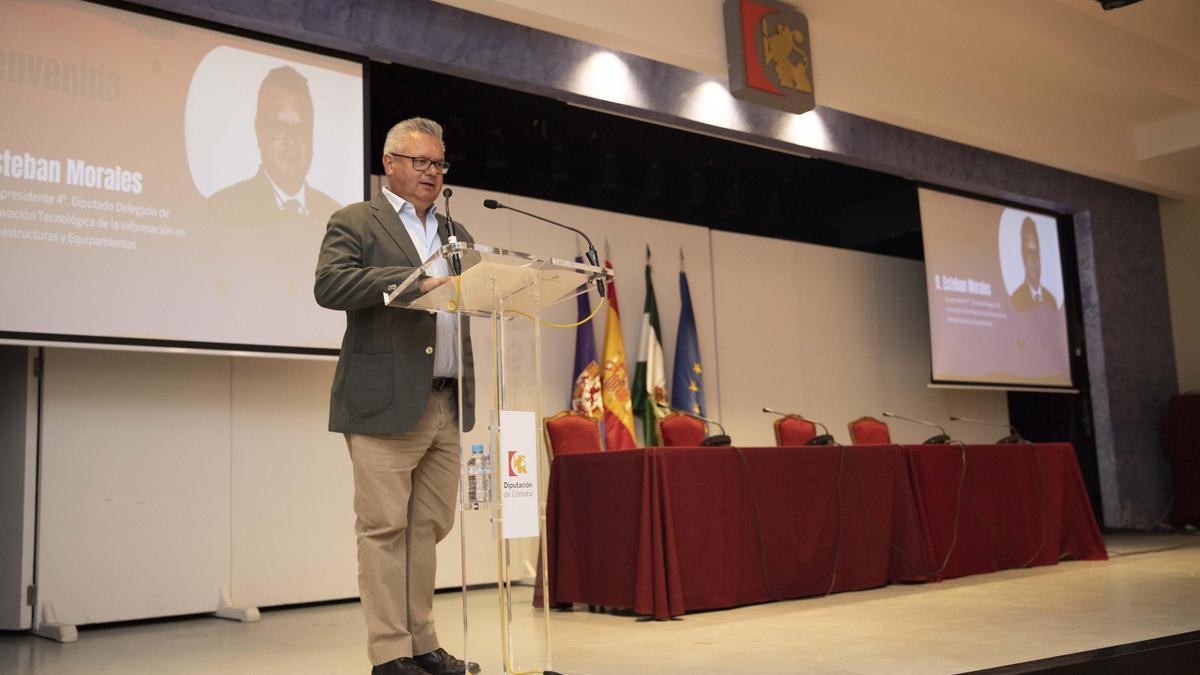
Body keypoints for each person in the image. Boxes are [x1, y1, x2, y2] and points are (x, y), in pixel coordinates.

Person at [315, 117, 474, 675]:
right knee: (384, 529)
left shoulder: (458, 235)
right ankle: (390, 654)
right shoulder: (357, 220)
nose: (431, 173)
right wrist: (411, 282)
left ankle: (423, 642)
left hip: (446, 402)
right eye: (420, 162)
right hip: (383, 400)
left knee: (429, 527)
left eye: (439, 164)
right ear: (390, 163)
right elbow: (329, 284)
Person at [210, 65, 341, 227]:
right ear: (259, 131)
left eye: (300, 129)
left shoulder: (337, 217)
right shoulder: (223, 208)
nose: (291, 141)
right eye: (280, 128)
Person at [1010, 216, 1058, 311]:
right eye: (1029, 254)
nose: (1033, 261)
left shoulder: (1051, 300)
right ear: (1023, 258)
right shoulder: (1015, 300)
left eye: (1036, 253)